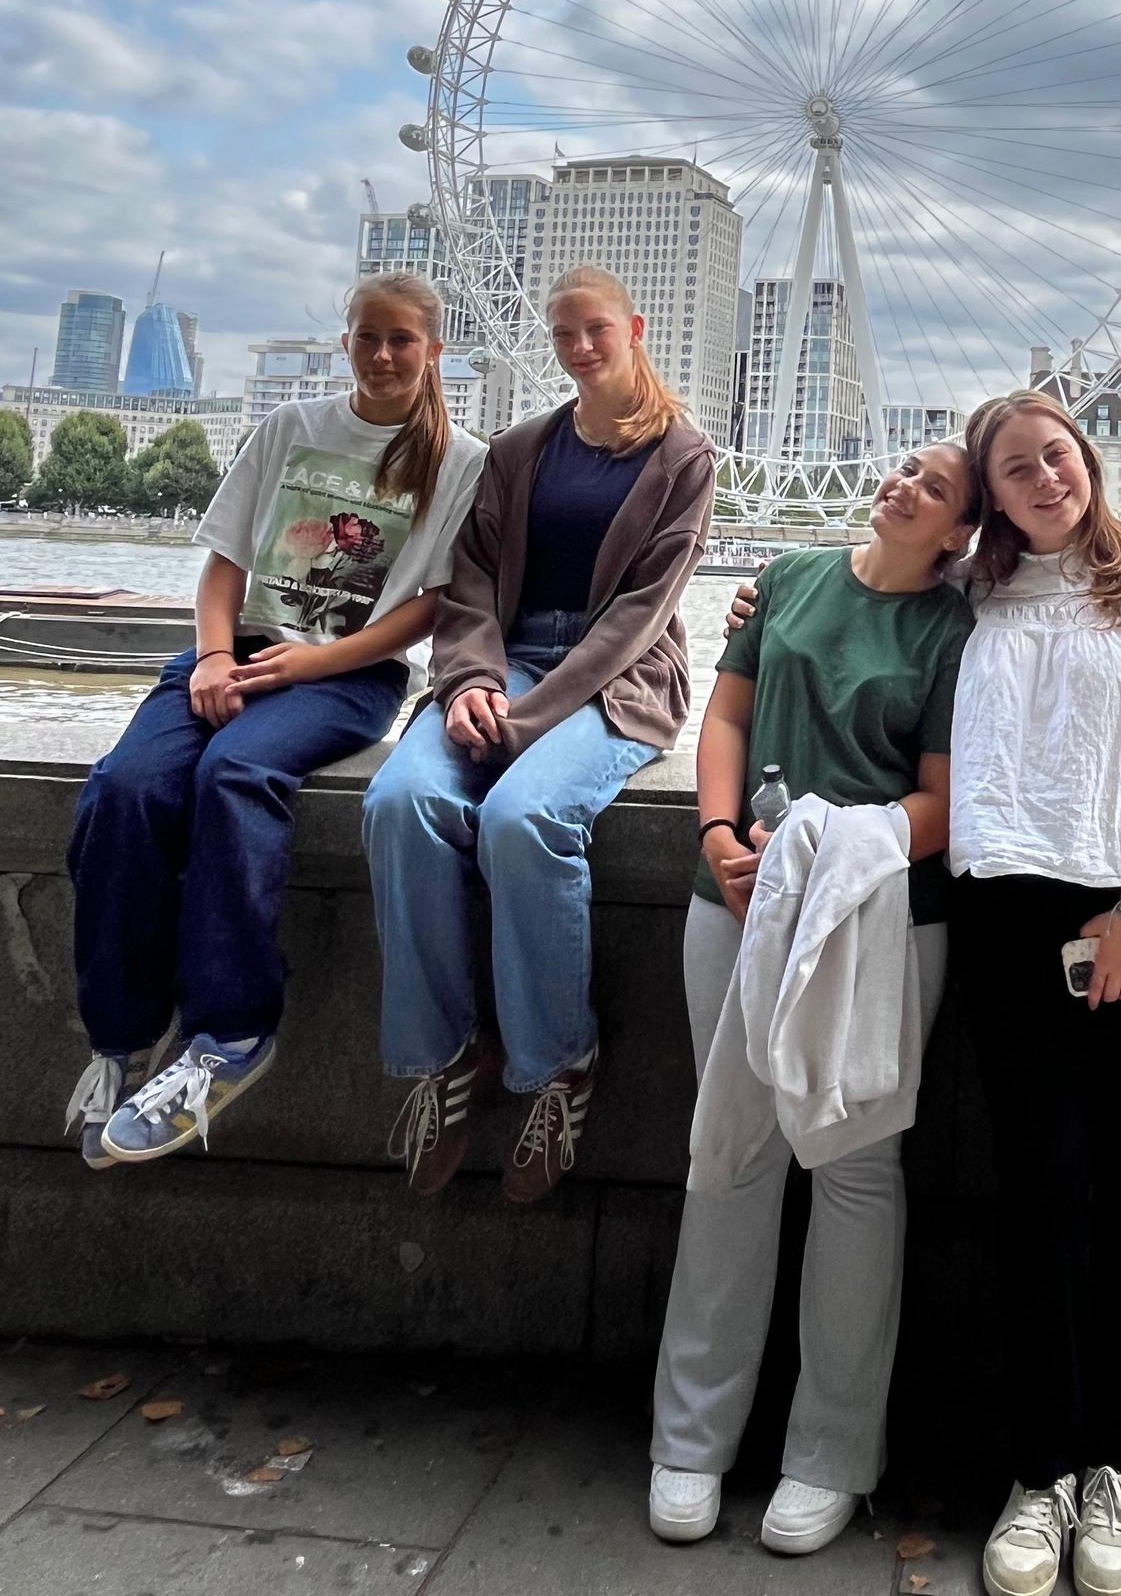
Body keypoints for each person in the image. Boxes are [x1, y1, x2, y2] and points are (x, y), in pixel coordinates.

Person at [64, 276, 485, 1167]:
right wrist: (215, 658)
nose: (381, 355)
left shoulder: (463, 462)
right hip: (237, 652)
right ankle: (123, 1039)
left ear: (434, 350)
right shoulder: (288, 429)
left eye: (402, 340)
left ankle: (231, 1031)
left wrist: (314, 662)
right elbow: (222, 565)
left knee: (235, 777)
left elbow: (433, 608)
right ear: (345, 343)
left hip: (346, 674)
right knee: (123, 790)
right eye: (367, 338)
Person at [647, 444, 978, 1558]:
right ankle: (690, 1435)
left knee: (855, 1171)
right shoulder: (786, 578)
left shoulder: (952, 631)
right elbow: (726, 720)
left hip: (878, 919)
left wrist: (840, 846)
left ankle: (831, 1451)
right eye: (903, 469)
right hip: (731, 898)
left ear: (960, 535)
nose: (903, 486)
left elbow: (943, 799)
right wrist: (719, 832)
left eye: (933, 487)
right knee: (729, 1150)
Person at [949, 394, 1121, 1596]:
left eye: (1055, 454)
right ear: (994, 496)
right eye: (1015, 469)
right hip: (1008, 908)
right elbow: (854, 578)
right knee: (1036, 1184)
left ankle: (1120, 1461)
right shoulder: (972, 594)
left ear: (1088, 462)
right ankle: (1039, 1468)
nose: (1043, 476)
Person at [363, 264, 714, 1204]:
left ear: (633, 327)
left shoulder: (683, 457)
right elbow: (470, 579)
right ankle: (445, 1056)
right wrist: (474, 680)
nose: (580, 349)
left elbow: (641, 612)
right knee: (402, 800)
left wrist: (532, 717)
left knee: (524, 819)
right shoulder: (519, 449)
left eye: (595, 329)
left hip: (619, 676)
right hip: (507, 658)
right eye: (564, 336)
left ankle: (560, 1065)